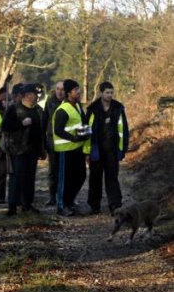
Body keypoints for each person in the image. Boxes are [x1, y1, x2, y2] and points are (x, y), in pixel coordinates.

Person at [84, 81, 129, 215]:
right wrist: (87, 151)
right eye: (107, 93)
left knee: (112, 178)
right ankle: (94, 205)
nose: (109, 95)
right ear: (101, 93)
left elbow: (124, 130)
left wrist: (123, 149)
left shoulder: (118, 108)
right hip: (96, 149)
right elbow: (86, 132)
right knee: (95, 178)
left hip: (112, 149)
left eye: (111, 92)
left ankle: (115, 205)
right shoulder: (92, 109)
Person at [1, 83, 46, 216]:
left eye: (36, 95)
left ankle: (27, 204)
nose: (36, 97)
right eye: (33, 94)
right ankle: (12, 206)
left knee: (30, 178)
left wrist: (42, 149)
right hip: (18, 150)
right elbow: (5, 127)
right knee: (17, 178)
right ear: (26, 96)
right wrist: (21, 124)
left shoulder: (38, 110)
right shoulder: (14, 109)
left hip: (33, 150)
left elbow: (41, 131)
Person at [53, 79, 90, 217]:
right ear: (69, 93)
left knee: (80, 176)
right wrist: (73, 138)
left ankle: (69, 201)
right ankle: (61, 206)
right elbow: (58, 130)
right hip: (65, 150)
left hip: (78, 149)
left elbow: (83, 123)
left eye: (78, 89)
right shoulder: (62, 110)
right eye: (76, 90)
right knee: (65, 180)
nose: (79, 92)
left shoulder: (78, 106)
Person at [43, 81, 65, 206]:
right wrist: (43, 141)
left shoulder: (70, 103)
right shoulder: (50, 102)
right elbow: (44, 120)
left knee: (66, 172)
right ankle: (52, 196)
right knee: (53, 171)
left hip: (66, 143)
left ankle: (65, 197)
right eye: (57, 89)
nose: (59, 91)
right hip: (52, 143)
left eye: (62, 89)